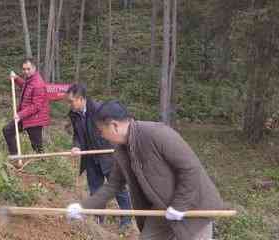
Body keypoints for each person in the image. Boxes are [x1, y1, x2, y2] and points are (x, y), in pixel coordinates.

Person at [66, 101, 225, 240]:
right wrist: (84, 207)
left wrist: (179, 205)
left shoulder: (157, 134)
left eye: (101, 131)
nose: (102, 135)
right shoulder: (121, 150)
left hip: (193, 206)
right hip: (161, 207)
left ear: (114, 125)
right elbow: (113, 186)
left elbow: (190, 169)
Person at [66, 84, 132, 232]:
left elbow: (113, 131)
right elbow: (77, 134)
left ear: (81, 99)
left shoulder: (98, 110)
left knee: (118, 188)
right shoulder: (74, 114)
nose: (69, 105)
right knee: (95, 188)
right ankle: (98, 217)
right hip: (90, 158)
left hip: (108, 155)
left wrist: (116, 151)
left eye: (71, 101)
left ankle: (126, 220)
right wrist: (76, 146)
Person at [3, 58, 50, 155]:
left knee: (37, 147)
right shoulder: (30, 80)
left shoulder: (38, 84)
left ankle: (42, 164)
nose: (26, 71)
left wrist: (20, 114)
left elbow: (36, 106)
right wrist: (16, 78)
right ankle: (15, 156)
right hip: (25, 117)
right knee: (7, 130)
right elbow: (25, 86)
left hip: (35, 120)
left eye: (28, 69)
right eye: (24, 69)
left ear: (34, 68)